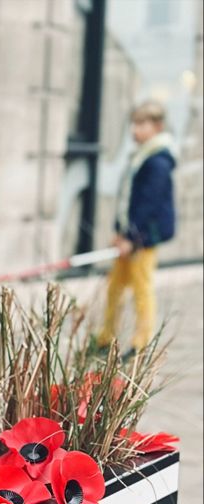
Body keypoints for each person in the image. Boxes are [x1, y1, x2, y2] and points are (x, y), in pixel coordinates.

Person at [97, 100, 177, 356]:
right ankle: (106, 335)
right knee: (115, 286)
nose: (135, 130)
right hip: (129, 236)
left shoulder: (158, 161)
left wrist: (133, 237)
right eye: (134, 124)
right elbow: (127, 199)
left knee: (142, 286)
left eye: (142, 124)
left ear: (157, 126)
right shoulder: (142, 156)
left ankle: (141, 341)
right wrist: (120, 231)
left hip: (143, 238)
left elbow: (148, 205)